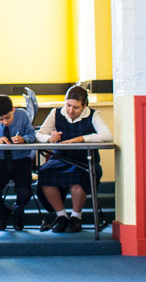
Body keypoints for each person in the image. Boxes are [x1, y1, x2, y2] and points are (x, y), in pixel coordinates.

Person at [36, 85, 112, 233]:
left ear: (84, 105)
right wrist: (49, 138)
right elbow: (39, 134)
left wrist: (81, 139)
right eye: (68, 105)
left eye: (76, 107)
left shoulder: (94, 115)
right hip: (60, 157)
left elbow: (107, 135)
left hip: (85, 159)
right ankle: (61, 215)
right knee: (45, 173)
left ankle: (76, 217)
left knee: (80, 175)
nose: (70, 110)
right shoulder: (56, 113)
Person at [0, 95, 36, 231]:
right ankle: (3, 213)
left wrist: (24, 139)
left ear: (13, 109)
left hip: (21, 161)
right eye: (0, 119)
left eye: (7, 118)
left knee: (24, 192)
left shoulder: (23, 115)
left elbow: (32, 134)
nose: (4, 122)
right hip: (0, 162)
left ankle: (18, 211)